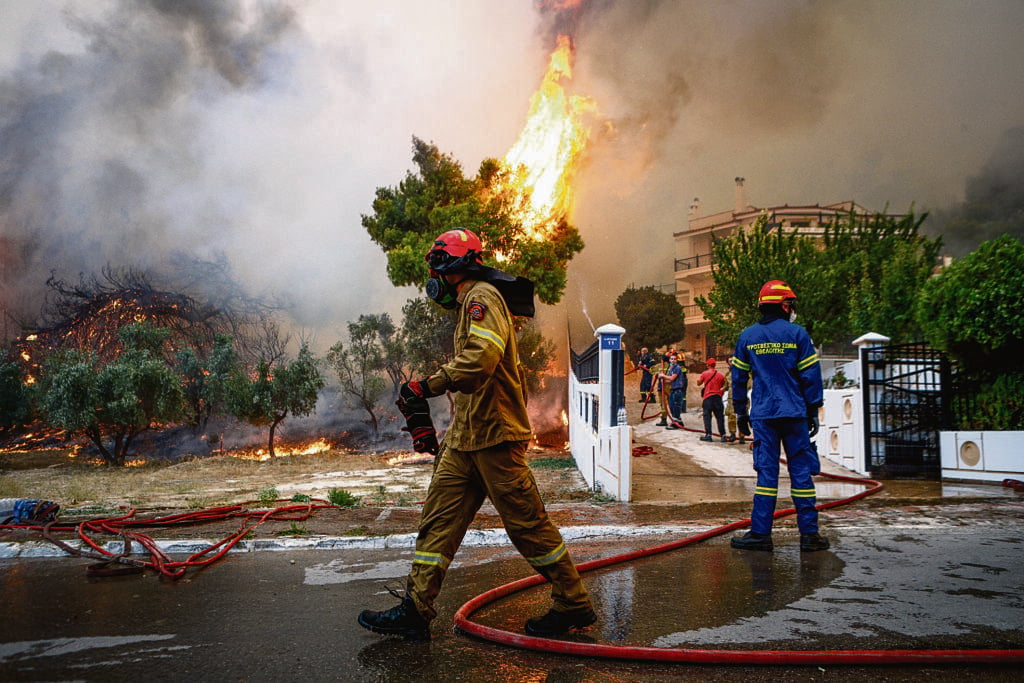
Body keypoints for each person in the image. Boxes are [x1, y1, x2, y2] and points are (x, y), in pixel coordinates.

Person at [358, 228, 595, 640]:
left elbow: (481, 360)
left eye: (435, 268)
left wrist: (427, 385)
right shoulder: (471, 301)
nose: (432, 279)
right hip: (465, 438)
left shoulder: (481, 298)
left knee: (527, 526)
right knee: (438, 523)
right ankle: (416, 608)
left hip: (496, 438)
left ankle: (572, 603)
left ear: (449, 268)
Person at [730, 280, 829, 553]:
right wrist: (813, 410)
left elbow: (737, 378)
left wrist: (740, 410)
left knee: (767, 474)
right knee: (801, 473)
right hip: (795, 412)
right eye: (790, 305)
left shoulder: (747, 337)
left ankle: (761, 534)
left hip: (763, 415)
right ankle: (810, 536)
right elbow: (810, 376)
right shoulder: (798, 334)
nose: (792, 309)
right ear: (784, 305)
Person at [696, 358, 727, 442]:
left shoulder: (705, 373)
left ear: (707, 365)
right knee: (720, 417)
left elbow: (699, 383)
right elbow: (724, 385)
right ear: (715, 365)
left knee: (707, 417)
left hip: (708, 398)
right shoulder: (721, 375)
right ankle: (723, 435)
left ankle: (708, 435)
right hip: (718, 398)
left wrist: (699, 381)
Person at [658, 353, 686, 429]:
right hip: (673, 390)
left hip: (677, 390)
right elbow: (670, 381)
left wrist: (663, 376)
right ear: (669, 360)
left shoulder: (677, 368)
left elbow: (672, 378)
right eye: (671, 359)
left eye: (674, 359)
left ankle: (675, 424)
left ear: (677, 360)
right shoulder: (671, 369)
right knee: (672, 407)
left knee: (676, 407)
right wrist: (663, 381)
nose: (673, 361)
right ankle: (679, 422)